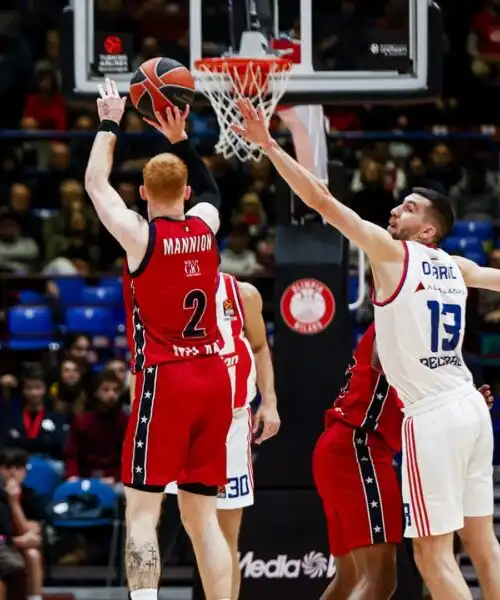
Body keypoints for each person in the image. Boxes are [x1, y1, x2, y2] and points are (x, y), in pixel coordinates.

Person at [233, 99, 500, 600]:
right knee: (483, 541)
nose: (397, 208)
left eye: (411, 208)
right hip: (469, 404)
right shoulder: (460, 267)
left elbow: (322, 202)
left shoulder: (393, 253)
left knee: (433, 557)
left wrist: (269, 146)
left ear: (428, 231)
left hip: (433, 413)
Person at [84, 78, 233, 600]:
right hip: (216, 377)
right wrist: (180, 138)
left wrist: (109, 120)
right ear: (186, 193)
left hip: (167, 380)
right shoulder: (205, 225)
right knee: (203, 519)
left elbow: (96, 186)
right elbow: (214, 191)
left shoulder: (139, 235)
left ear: (144, 193)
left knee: (143, 512)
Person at [313, 324, 494, 600]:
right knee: (380, 580)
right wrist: (449, 393)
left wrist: (457, 398)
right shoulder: (398, 316)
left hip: (341, 447)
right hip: (360, 447)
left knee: (349, 578)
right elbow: (380, 359)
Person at [165, 273, 280, 600]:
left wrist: (268, 401)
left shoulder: (242, 294)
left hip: (231, 423)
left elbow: (259, 346)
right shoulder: (161, 291)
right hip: (180, 425)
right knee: (170, 530)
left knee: (225, 534)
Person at [0, 448, 44, 600]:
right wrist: (14, 541)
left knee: (32, 554)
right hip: (7, 543)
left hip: (13, 545)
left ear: (25, 472)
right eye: (7, 468)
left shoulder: (31, 496)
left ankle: (34, 597)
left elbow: (29, 532)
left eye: (18, 468)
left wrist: (14, 502)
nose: (13, 473)